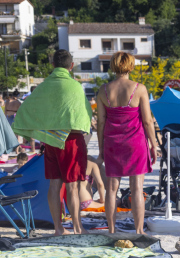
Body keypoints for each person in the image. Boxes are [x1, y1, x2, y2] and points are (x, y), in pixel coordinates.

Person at [12, 49, 92, 235]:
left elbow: (26, 109)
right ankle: (78, 228)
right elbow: (85, 115)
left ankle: (58, 228)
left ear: (53, 65)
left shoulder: (43, 86)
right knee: (72, 186)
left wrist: (39, 130)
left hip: (50, 141)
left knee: (54, 185)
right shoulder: (74, 86)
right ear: (71, 66)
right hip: (71, 140)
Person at [97, 52, 157, 234]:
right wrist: (153, 144)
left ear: (113, 66)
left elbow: (100, 122)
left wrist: (101, 148)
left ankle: (112, 230)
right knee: (137, 188)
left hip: (112, 143)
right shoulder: (139, 89)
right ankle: (139, 231)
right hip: (135, 142)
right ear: (131, 66)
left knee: (112, 189)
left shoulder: (103, 90)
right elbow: (147, 121)